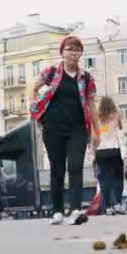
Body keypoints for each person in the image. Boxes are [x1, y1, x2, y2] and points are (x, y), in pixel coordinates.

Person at [29, 34, 101, 225]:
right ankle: (57, 211)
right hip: (53, 128)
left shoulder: (86, 78)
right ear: (62, 52)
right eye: (70, 49)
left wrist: (97, 132)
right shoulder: (51, 72)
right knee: (57, 169)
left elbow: (92, 105)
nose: (74, 53)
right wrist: (35, 109)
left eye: (78, 50)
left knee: (76, 166)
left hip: (78, 128)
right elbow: (33, 88)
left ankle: (76, 209)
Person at [94, 96, 125, 216]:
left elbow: (95, 134)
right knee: (117, 177)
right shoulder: (116, 115)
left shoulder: (97, 117)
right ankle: (117, 203)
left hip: (101, 151)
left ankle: (107, 206)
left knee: (104, 179)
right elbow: (120, 129)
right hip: (114, 150)